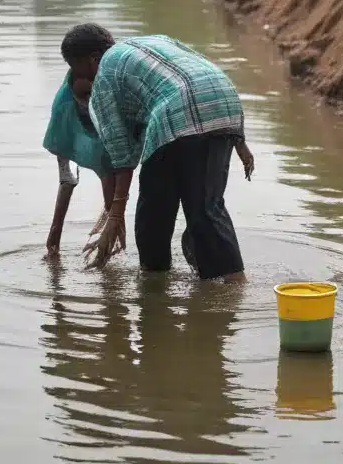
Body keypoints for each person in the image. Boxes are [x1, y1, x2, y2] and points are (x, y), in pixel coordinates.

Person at [49, 23, 254, 282]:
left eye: (76, 68)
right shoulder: (156, 40)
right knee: (206, 208)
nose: (79, 76)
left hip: (178, 114)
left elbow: (122, 155)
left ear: (93, 60)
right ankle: (235, 286)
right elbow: (207, 76)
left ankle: (154, 284)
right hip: (226, 105)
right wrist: (239, 139)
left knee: (154, 211)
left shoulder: (104, 75)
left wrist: (115, 215)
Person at [43, 71, 116, 257]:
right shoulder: (63, 109)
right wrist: (55, 230)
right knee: (69, 177)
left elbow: (109, 172)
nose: (88, 100)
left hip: (104, 120)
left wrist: (113, 219)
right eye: (85, 96)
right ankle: (54, 242)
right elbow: (67, 176)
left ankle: (108, 244)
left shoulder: (109, 95)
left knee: (109, 172)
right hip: (72, 113)